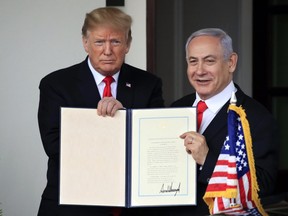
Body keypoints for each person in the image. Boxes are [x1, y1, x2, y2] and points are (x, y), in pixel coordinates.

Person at [37, 7, 164, 216]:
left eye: (115, 41)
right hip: (72, 206)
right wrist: (113, 127)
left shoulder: (148, 84)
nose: (107, 50)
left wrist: (125, 116)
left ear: (128, 44)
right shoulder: (56, 84)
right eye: (99, 42)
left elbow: (155, 143)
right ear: (85, 43)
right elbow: (55, 146)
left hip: (131, 208)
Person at [168, 28, 279, 215]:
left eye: (209, 61)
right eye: (193, 61)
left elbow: (263, 186)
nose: (200, 71)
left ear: (231, 62)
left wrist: (207, 159)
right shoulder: (176, 108)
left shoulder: (256, 117)